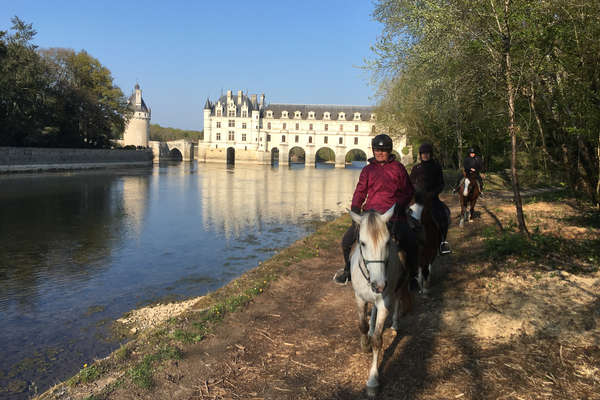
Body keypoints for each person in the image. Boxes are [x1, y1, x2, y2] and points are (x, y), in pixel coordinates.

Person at [334, 134, 417, 285]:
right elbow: (360, 191)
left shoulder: (398, 168)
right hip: (370, 215)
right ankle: (348, 271)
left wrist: (398, 206)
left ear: (389, 151)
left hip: (393, 215)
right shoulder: (367, 170)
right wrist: (355, 208)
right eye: (377, 150)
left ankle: (411, 277)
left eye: (383, 150)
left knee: (410, 241)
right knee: (346, 241)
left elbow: (408, 191)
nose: (379, 153)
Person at [409, 143, 451, 255]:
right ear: (420, 155)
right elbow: (410, 183)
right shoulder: (416, 168)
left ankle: (442, 242)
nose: (425, 156)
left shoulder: (436, 167)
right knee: (406, 217)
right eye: (423, 153)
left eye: (427, 153)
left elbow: (441, 184)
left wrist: (432, 193)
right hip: (417, 200)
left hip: (432, 199)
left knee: (445, 214)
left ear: (430, 154)